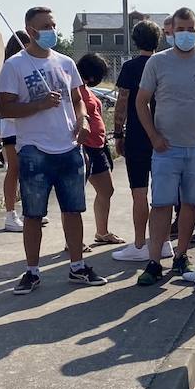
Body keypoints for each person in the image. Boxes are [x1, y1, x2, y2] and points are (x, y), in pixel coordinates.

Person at [0, 8, 106, 293]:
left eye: (53, 24)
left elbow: (78, 99)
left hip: (69, 148)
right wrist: (38, 105)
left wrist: (81, 120)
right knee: (33, 214)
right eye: (45, 26)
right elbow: (3, 107)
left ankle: (77, 266)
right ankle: (32, 271)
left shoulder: (66, 62)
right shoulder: (15, 65)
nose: (51, 30)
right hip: (34, 150)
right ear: (29, 30)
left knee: (73, 210)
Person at [135, 6, 195, 285]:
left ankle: (182, 255)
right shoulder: (157, 63)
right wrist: (153, 136)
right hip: (166, 149)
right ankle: (154, 261)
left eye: (191, 29)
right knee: (161, 204)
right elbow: (141, 102)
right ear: (170, 31)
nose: (186, 34)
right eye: (181, 29)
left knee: (190, 205)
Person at [111, 20, 168, 262]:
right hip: (165, 133)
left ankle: (139, 244)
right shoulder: (166, 64)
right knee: (164, 192)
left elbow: (122, 102)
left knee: (139, 192)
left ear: (135, 41)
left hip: (137, 135)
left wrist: (118, 133)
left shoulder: (131, 68)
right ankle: (164, 242)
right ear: (159, 40)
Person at [76, 53, 122, 246]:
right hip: (84, 147)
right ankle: (73, 241)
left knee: (106, 190)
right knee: (75, 195)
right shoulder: (73, 88)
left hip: (98, 146)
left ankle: (102, 232)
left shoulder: (86, 88)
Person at [1, 32, 27, 232]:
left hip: (29, 127)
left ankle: (30, 211)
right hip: (12, 127)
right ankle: (10, 214)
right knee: (14, 169)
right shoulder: (9, 67)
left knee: (27, 170)